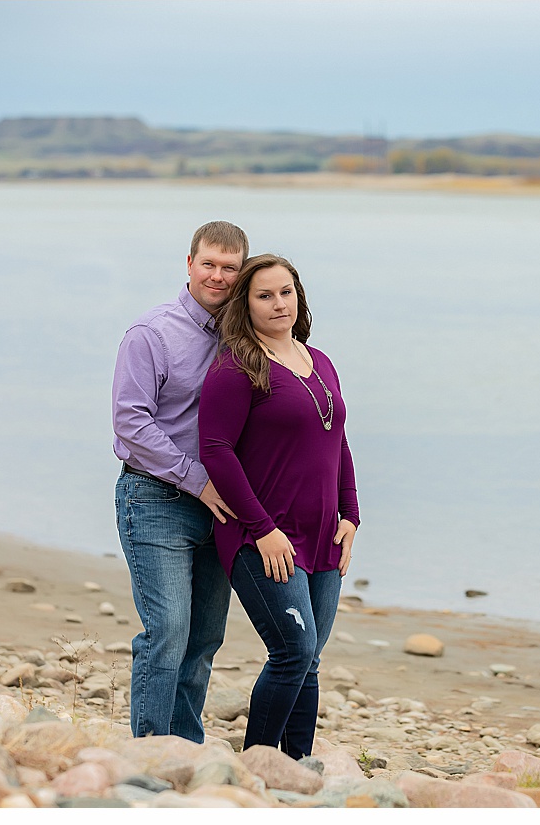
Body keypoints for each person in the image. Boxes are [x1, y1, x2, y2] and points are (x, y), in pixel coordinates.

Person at [199, 254, 359, 758]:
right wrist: (263, 529)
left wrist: (351, 515)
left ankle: (296, 769)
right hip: (264, 537)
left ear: (299, 295)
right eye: (264, 296)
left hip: (322, 535)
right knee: (292, 651)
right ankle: (256, 767)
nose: (278, 304)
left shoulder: (321, 362)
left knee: (309, 659)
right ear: (245, 305)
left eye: (285, 292)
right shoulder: (236, 367)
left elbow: (338, 440)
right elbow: (215, 451)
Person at [111, 221, 247, 741]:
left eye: (229, 267)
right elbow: (131, 422)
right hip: (156, 498)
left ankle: (184, 746)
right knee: (167, 633)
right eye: (208, 263)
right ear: (188, 264)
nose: (217, 275)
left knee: (205, 638)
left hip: (221, 508)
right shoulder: (151, 333)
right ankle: (148, 749)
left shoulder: (242, 337)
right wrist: (198, 480)